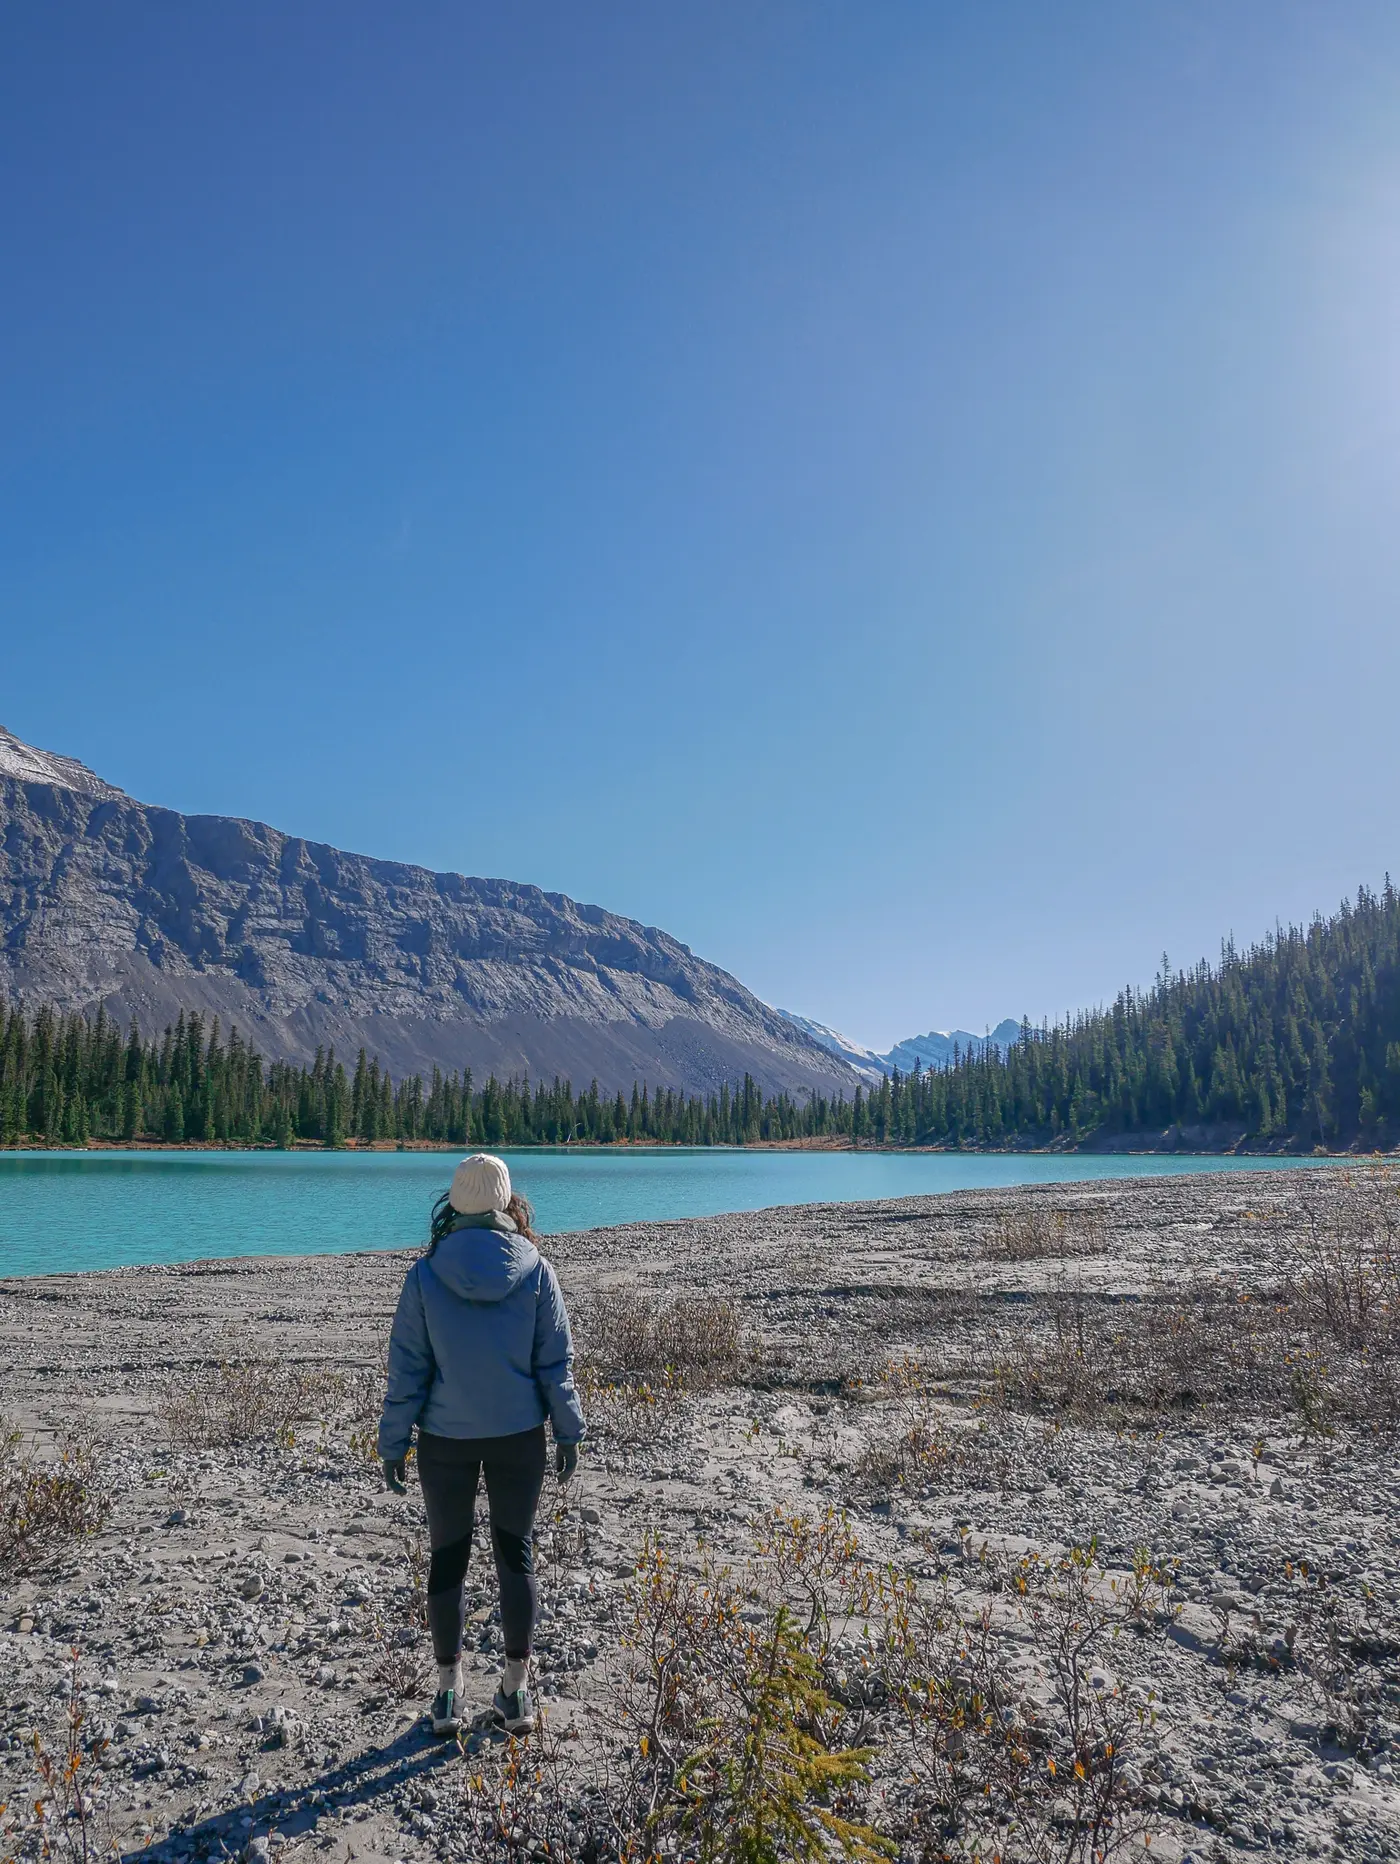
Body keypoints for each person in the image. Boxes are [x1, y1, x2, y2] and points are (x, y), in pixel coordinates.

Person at [378, 1152, 586, 1738]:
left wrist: (393, 1443)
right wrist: (568, 1430)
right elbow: (555, 1365)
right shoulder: (538, 1270)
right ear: (504, 1201)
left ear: (456, 1202)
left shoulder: (424, 1276)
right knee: (514, 1554)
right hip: (519, 1438)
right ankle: (515, 1694)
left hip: (444, 1440)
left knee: (448, 1558)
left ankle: (447, 1698)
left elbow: (408, 1373)